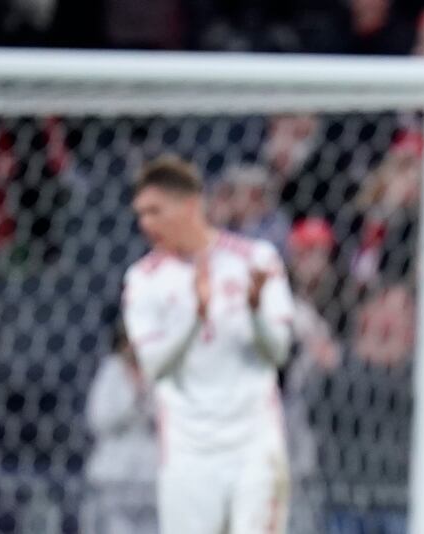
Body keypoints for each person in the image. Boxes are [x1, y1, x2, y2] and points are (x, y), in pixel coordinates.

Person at [121, 155, 293, 534]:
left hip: (254, 446)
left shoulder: (256, 260)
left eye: (155, 211)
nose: (145, 224)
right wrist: (194, 317)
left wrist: (255, 313)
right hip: (188, 455)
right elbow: (153, 366)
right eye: (141, 213)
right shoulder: (143, 280)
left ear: (190, 206)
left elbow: (279, 352)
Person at [83, 325, 158, 534]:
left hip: (149, 468)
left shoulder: (156, 370)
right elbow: (98, 418)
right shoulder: (112, 370)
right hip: (115, 465)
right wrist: (132, 407)